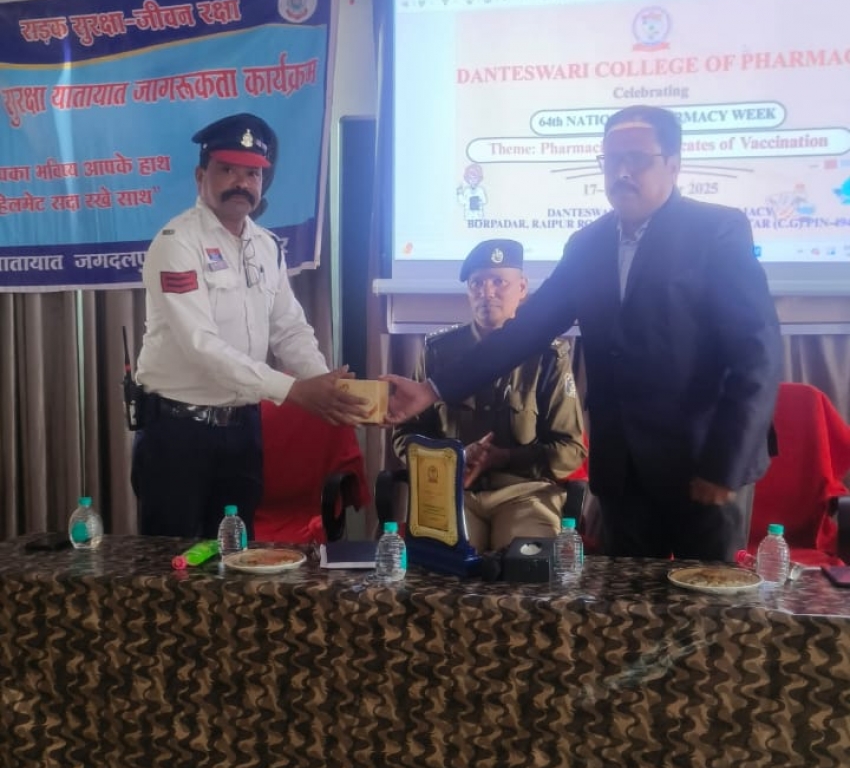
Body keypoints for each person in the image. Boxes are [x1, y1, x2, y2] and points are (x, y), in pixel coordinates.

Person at [386, 107, 783, 562]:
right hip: (623, 473)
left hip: (702, 462)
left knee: (706, 599)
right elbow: (526, 330)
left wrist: (725, 464)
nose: (622, 172)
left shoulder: (716, 230)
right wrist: (431, 389)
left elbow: (757, 353)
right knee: (624, 602)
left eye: (637, 159)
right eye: (611, 160)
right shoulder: (587, 244)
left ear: (673, 164)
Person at [132, 112, 369, 538]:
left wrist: (325, 386)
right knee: (170, 566)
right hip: (178, 433)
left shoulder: (266, 246)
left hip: (243, 431)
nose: (241, 183)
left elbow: (289, 329)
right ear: (201, 176)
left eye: (252, 174)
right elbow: (201, 346)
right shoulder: (176, 244)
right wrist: (296, 391)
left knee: (236, 558)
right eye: (227, 170)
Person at [392, 239, 586, 551]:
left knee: (525, 568)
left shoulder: (549, 355)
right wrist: (453, 458)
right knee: (445, 568)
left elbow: (570, 450)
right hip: (453, 492)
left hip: (525, 493)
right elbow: (406, 435)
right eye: (477, 284)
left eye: (499, 282)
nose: (487, 292)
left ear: (522, 288)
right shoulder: (438, 352)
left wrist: (506, 457)